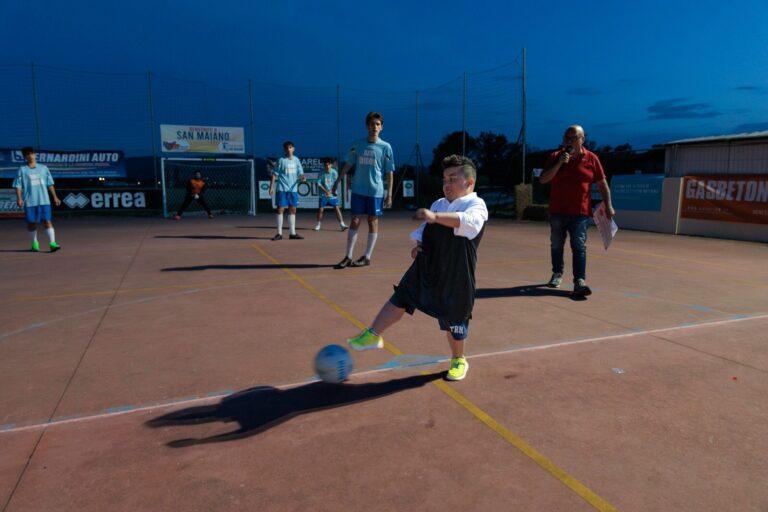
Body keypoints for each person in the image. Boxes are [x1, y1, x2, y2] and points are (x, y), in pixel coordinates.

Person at [345, 155, 488, 381]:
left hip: (456, 274)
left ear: (469, 183)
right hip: (427, 267)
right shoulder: (439, 204)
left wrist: (435, 216)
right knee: (401, 296)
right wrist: (418, 246)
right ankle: (373, 335)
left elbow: (469, 223)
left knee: (454, 320)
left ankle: (459, 359)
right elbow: (423, 232)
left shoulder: (475, 205)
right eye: (444, 179)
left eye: (453, 178)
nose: (446, 184)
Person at [539, 125, 615, 297]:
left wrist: (608, 205)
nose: (569, 141)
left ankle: (579, 280)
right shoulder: (555, 157)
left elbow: (602, 184)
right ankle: (557, 273)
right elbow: (543, 179)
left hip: (580, 212)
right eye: (567, 137)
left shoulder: (592, 159)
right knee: (557, 244)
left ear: (582, 139)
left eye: (573, 137)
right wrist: (559, 163)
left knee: (579, 246)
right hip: (558, 211)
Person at [332, 112, 395, 268]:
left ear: (382, 127)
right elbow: (348, 164)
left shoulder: (386, 147)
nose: (375, 127)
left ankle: (367, 256)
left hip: (376, 191)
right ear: (367, 126)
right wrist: (338, 181)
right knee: (355, 221)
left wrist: (389, 195)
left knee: (372, 221)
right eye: (372, 124)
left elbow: (390, 172)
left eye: (378, 124)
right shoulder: (357, 145)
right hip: (358, 189)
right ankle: (348, 256)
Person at [13, 147, 61, 252]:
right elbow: (18, 185)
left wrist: (55, 197)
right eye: (27, 154)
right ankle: (35, 243)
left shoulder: (44, 168)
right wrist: (19, 198)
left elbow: (50, 184)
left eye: (32, 153)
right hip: (30, 201)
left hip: (44, 200)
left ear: (35, 155)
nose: (30, 156)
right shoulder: (22, 169)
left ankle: (52, 243)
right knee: (31, 223)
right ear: (25, 157)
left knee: (47, 221)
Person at [268, 141, 306, 240]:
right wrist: (271, 187)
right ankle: (279, 234)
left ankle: (292, 233)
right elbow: (274, 174)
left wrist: (302, 177)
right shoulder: (281, 160)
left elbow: (300, 172)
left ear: (293, 149)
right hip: (282, 189)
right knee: (280, 209)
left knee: (293, 210)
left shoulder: (296, 160)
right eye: (286, 148)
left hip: (293, 190)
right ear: (284, 150)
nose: (288, 149)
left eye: (290, 147)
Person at [314, 158, 348, 231]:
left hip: (332, 194)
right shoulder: (321, 173)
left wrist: (331, 191)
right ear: (324, 165)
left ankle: (342, 224)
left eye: (329, 165)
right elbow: (319, 184)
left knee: (337, 208)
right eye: (326, 165)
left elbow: (336, 182)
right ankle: (318, 224)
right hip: (323, 194)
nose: (327, 166)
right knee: (321, 210)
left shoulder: (334, 172)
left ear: (331, 165)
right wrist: (326, 191)